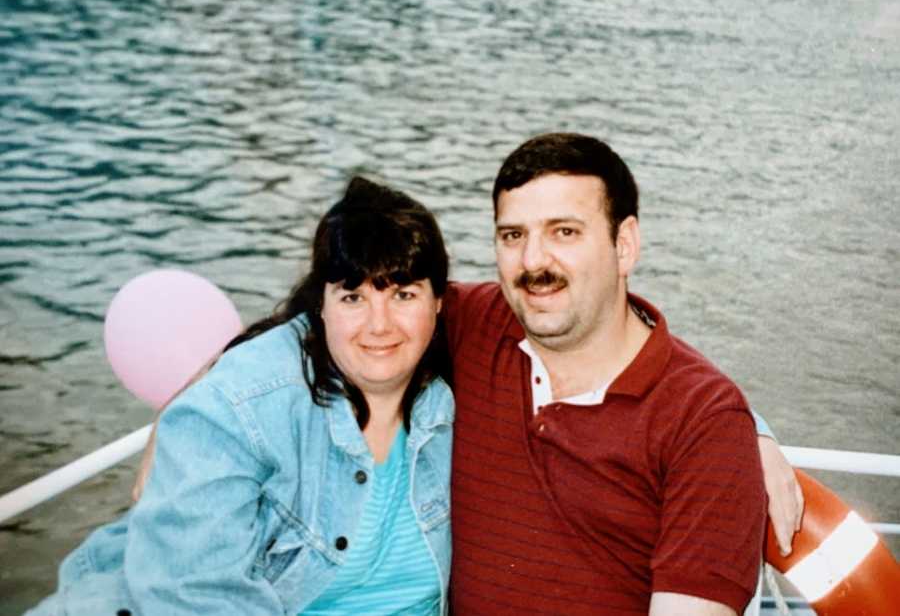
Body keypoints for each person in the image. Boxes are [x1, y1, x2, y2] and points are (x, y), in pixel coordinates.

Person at [26, 177, 454, 615]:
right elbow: (190, 596)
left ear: (440, 301)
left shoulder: (454, 390)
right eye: (352, 297)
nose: (379, 325)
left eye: (403, 295)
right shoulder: (243, 407)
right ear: (321, 304)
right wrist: (200, 395)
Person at [441, 133, 789, 615]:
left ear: (624, 246)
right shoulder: (472, 325)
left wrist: (747, 431)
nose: (533, 262)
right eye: (513, 235)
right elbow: (338, 318)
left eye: (564, 232)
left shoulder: (703, 422)